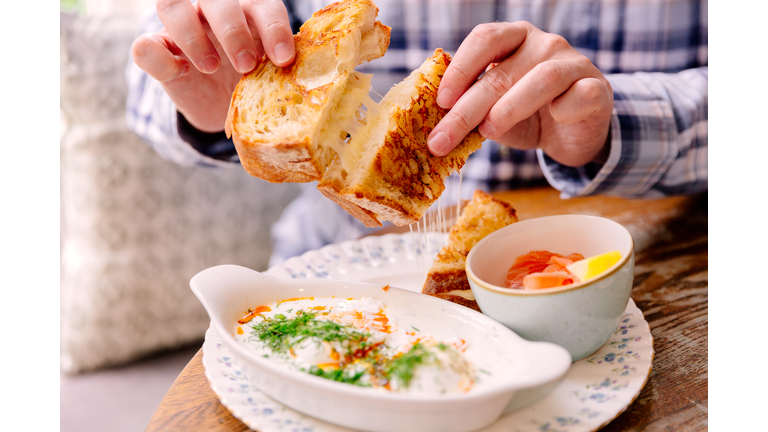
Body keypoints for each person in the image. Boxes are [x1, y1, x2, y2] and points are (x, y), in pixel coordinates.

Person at [126, 0, 707, 265]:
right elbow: (143, 81)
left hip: (616, 257)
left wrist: (617, 123)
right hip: (330, 262)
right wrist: (214, 90)